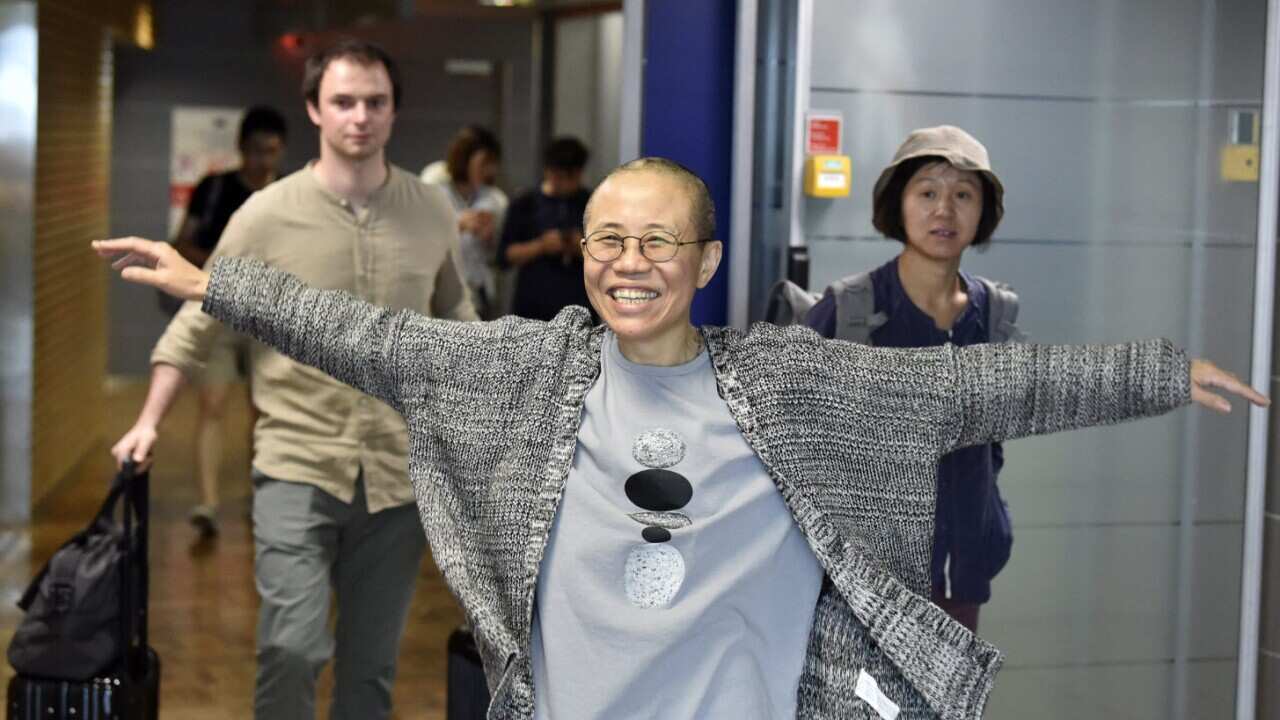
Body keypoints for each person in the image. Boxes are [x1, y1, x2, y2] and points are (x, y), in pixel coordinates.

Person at [95, 157, 1264, 719]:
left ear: (706, 263)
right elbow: (372, 339)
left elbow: (978, 394)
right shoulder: (526, 372)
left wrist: (1159, 372)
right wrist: (216, 282)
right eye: (606, 240)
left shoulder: (789, 382)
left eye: (658, 243)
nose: (627, 263)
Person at [107, 39, 477, 720]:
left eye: (375, 102)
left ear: (394, 112)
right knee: (293, 647)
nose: (359, 117)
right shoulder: (266, 213)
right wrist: (148, 421)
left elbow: (456, 313)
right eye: (343, 102)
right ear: (314, 109)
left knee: (370, 670)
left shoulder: (430, 210)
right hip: (296, 463)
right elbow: (197, 321)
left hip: (399, 477)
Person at [807, 125, 1018, 632]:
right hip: (861, 593)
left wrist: (988, 528)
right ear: (897, 206)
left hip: (958, 587)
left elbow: (992, 449)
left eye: (963, 194)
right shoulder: (849, 310)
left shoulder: (996, 315)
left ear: (982, 212)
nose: (944, 209)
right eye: (927, 192)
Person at [170, 105, 288, 537]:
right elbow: (183, 242)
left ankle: (261, 496)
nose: (264, 161)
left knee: (265, 411)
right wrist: (225, 269)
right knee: (212, 405)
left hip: (270, 317)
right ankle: (207, 503)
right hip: (219, 312)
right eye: (257, 151)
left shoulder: (290, 196)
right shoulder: (215, 189)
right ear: (241, 149)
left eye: (272, 152)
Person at [498, 136, 593, 321]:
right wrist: (541, 246)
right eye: (559, 177)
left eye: (570, 177)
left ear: (580, 173)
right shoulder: (525, 203)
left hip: (579, 307)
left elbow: (608, 253)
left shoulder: (592, 203)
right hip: (532, 308)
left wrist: (580, 246)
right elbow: (504, 256)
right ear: (547, 171)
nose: (564, 184)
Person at [420, 125, 509, 319]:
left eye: (493, 164)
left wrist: (489, 236)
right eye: (484, 162)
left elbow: (500, 254)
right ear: (465, 158)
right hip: (438, 288)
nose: (489, 170)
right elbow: (419, 232)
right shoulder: (434, 182)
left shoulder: (495, 199)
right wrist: (459, 224)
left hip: (477, 290)